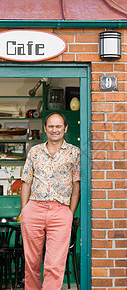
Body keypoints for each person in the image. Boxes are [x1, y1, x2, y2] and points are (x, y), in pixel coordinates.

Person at [20, 112, 80, 290]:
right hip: (34, 209)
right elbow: (26, 182)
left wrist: (69, 214)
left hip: (60, 211)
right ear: (45, 129)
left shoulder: (74, 153)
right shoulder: (35, 152)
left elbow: (76, 187)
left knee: (54, 265)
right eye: (51, 126)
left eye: (58, 126)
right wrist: (25, 212)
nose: (55, 130)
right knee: (31, 263)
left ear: (65, 129)